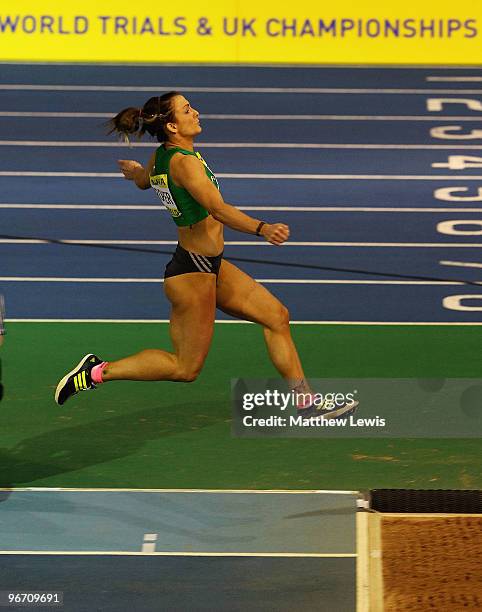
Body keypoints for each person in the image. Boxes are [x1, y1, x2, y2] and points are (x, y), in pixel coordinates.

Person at [54, 92, 356, 419]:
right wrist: (263, 228)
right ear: (172, 125)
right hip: (191, 272)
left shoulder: (165, 156)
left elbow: (144, 181)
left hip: (209, 265)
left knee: (276, 316)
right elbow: (218, 209)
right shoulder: (184, 164)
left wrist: (135, 172)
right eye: (187, 110)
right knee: (185, 368)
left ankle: (305, 403)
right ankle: (96, 372)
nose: (195, 112)